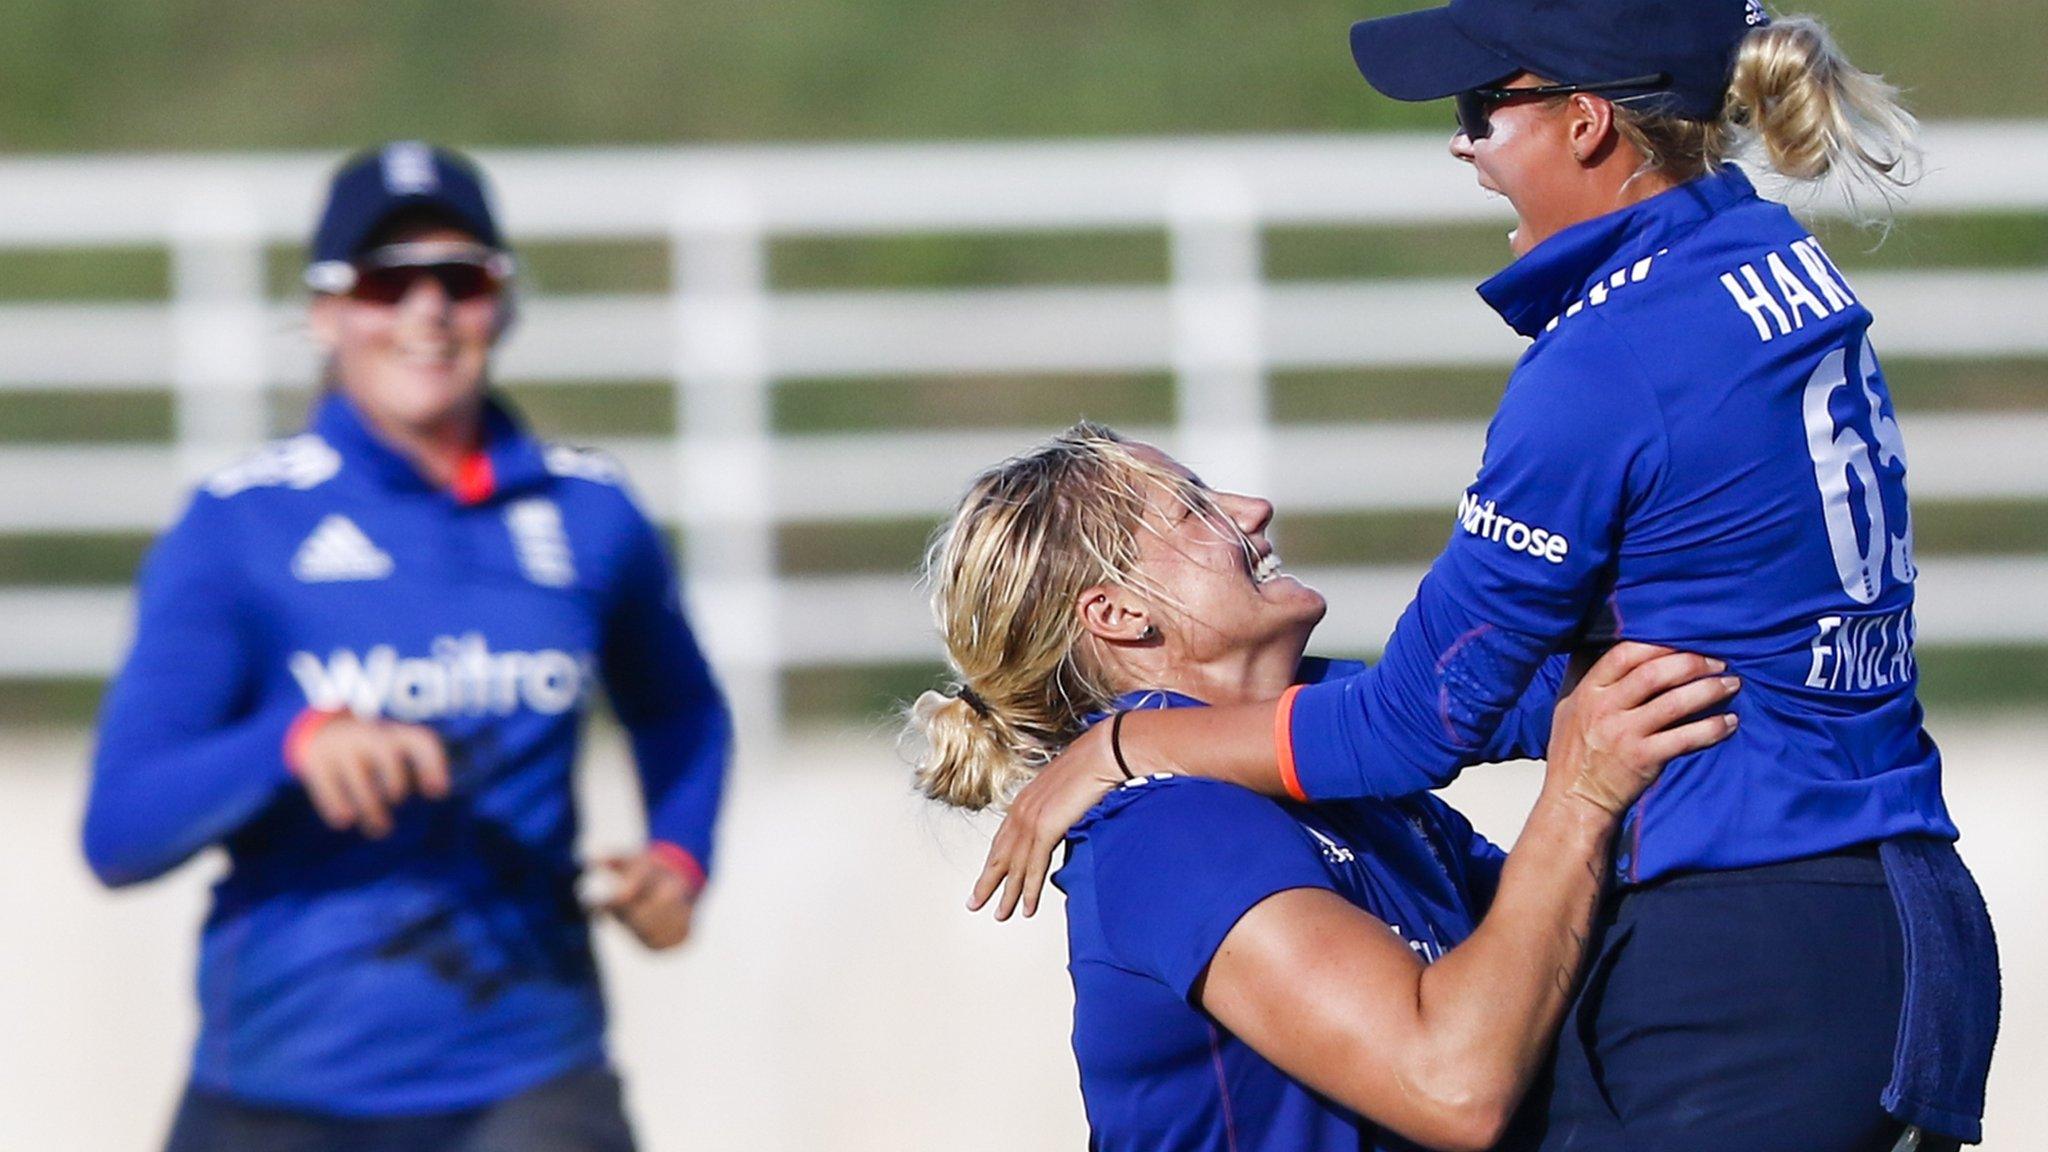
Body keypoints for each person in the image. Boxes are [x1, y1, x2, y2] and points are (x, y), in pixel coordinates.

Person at [972, 6, 1999, 1151]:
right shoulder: (1770, 268)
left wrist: (1120, 745)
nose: (1461, 145)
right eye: (1196, 510)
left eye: (1478, 111)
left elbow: (1418, 719)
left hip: (1748, 954)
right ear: (1109, 614)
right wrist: (1569, 773)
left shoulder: (1607, 357)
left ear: (1585, 121)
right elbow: (1500, 709)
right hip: (1905, 930)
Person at [82, 142, 732, 1152]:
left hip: (529, 1078)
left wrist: (679, 857)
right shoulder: (237, 528)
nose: (426, 310)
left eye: (460, 279)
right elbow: (119, 830)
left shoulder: (589, 510)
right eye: (387, 281)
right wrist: (290, 745)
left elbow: (680, 706)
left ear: (502, 305)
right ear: (327, 313)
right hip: (280, 1088)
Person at [910, 425, 1739, 1152]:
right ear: (1120, 614)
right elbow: (1453, 1084)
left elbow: (1549, 940)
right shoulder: (1170, 831)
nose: (1253, 508)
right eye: (1195, 509)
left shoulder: (1342, 775)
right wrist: (1581, 799)